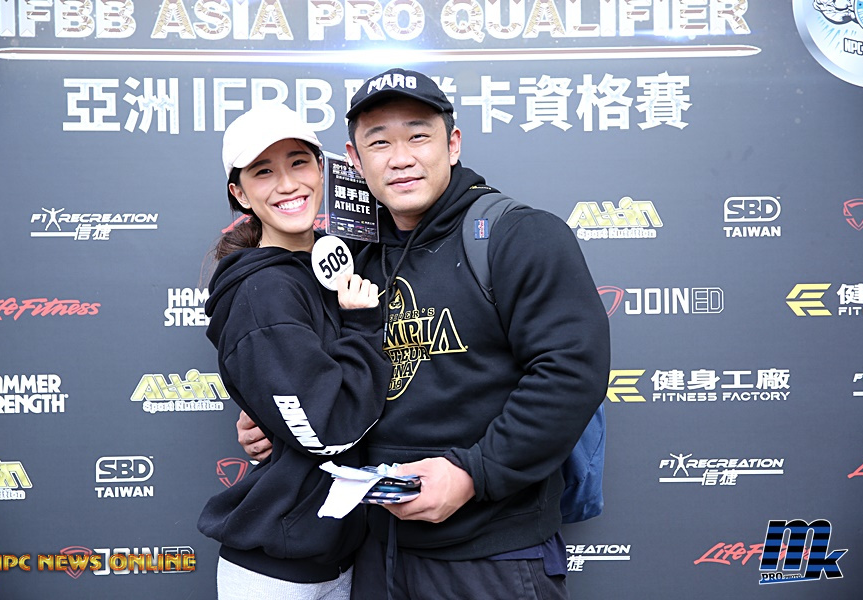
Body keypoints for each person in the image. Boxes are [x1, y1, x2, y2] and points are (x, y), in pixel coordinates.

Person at [238, 68, 611, 599]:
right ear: (355, 159)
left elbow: (570, 373)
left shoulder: (517, 234)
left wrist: (472, 474)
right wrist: (276, 416)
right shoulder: (352, 256)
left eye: (418, 136)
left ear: (452, 144)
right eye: (379, 142)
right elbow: (328, 373)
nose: (400, 158)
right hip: (374, 549)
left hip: (492, 555)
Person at [199, 103, 391, 600]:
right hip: (278, 571)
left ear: (321, 169)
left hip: (342, 556)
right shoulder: (263, 290)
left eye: (299, 162)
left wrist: (269, 413)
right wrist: (363, 324)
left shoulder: (335, 260)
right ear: (240, 194)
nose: (288, 184)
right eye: (264, 171)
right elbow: (328, 428)